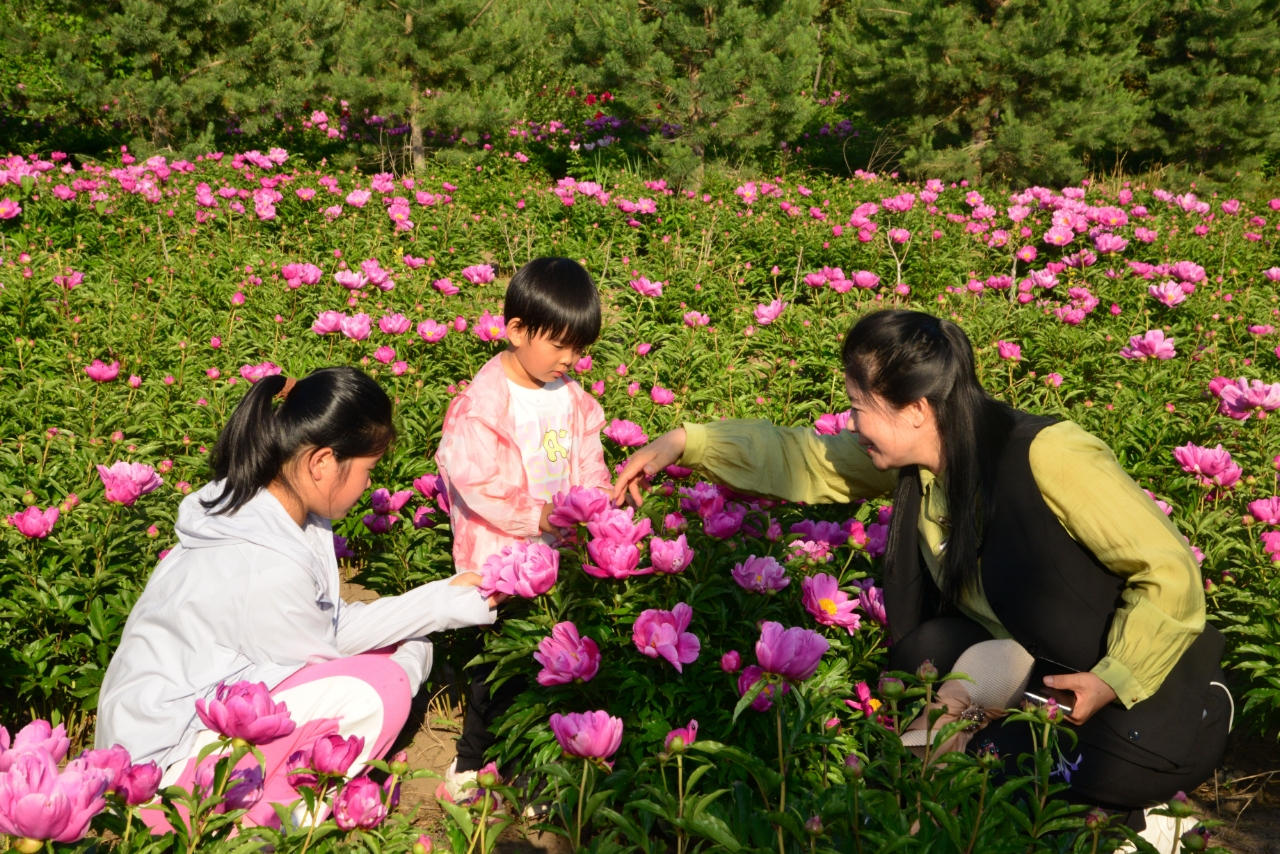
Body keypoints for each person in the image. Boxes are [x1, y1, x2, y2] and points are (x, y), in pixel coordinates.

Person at [613, 309, 1230, 833]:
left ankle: (1136, 825)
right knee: (926, 654)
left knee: (983, 776)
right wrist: (684, 444)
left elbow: (1168, 569)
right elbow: (808, 458)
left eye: (859, 405)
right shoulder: (927, 459)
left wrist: (1115, 675)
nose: (851, 421)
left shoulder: (1047, 454)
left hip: (1149, 699)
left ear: (915, 409)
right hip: (1049, 676)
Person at [97, 367, 501, 828]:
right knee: (382, 689)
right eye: (368, 470)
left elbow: (329, 627)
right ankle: (261, 828)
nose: (369, 486)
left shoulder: (274, 508)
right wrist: (413, 655)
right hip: (157, 777)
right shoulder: (261, 560)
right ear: (322, 462)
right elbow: (325, 653)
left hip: (177, 723)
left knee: (411, 643)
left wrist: (443, 599)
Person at [435, 257, 612, 795]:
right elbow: (472, 478)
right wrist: (534, 514)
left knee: (555, 664)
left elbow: (591, 467)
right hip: (501, 556)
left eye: (579, 348)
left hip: (559, 552)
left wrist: (597, 508)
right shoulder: (483, 404)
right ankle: (471, 763)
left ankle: (538, 771)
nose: (570, 359)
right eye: (559, 345)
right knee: (500, 665)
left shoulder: (575, 403)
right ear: (515, 330)